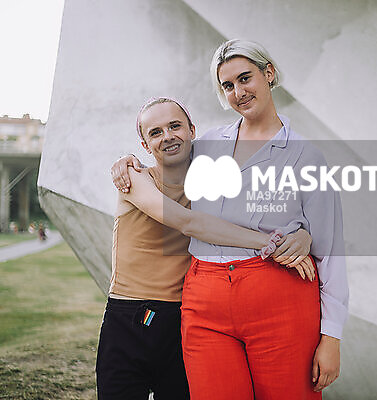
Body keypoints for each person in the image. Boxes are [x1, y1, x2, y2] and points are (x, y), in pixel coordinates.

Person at [114, 40, 349, 399]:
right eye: (227, 85)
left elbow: (331, 251)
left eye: (245, 78)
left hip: (280, 296)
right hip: (204, 299)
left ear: (269, 73)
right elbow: (166, 159)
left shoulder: (307, 156)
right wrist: (126, 161)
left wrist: (331, 336)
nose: (238, 92)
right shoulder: (207, 145)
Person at [100, 97, 315, 400]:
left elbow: (271, 209)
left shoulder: (211, 182)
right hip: (132, 316)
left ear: (192, 130)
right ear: (145, 145)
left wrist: (302, 235)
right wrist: (269, 244)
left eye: (175, 126)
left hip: (183, 317)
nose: (167, 136)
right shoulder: (135, 179)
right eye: (156, 132)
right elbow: (188, 223)